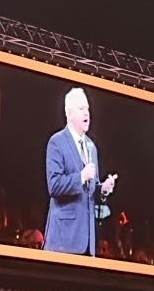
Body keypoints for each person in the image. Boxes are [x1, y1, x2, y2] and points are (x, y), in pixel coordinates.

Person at [44, 87, 117, 257]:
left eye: (88, 109)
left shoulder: (91, 147)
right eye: (81, 109)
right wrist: (81, 176)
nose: (87, 113)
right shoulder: (57, 142)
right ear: (69, 113)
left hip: (87, 243)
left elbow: (90, 189)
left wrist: (103, 189)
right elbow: (53, 186)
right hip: (63, 241)